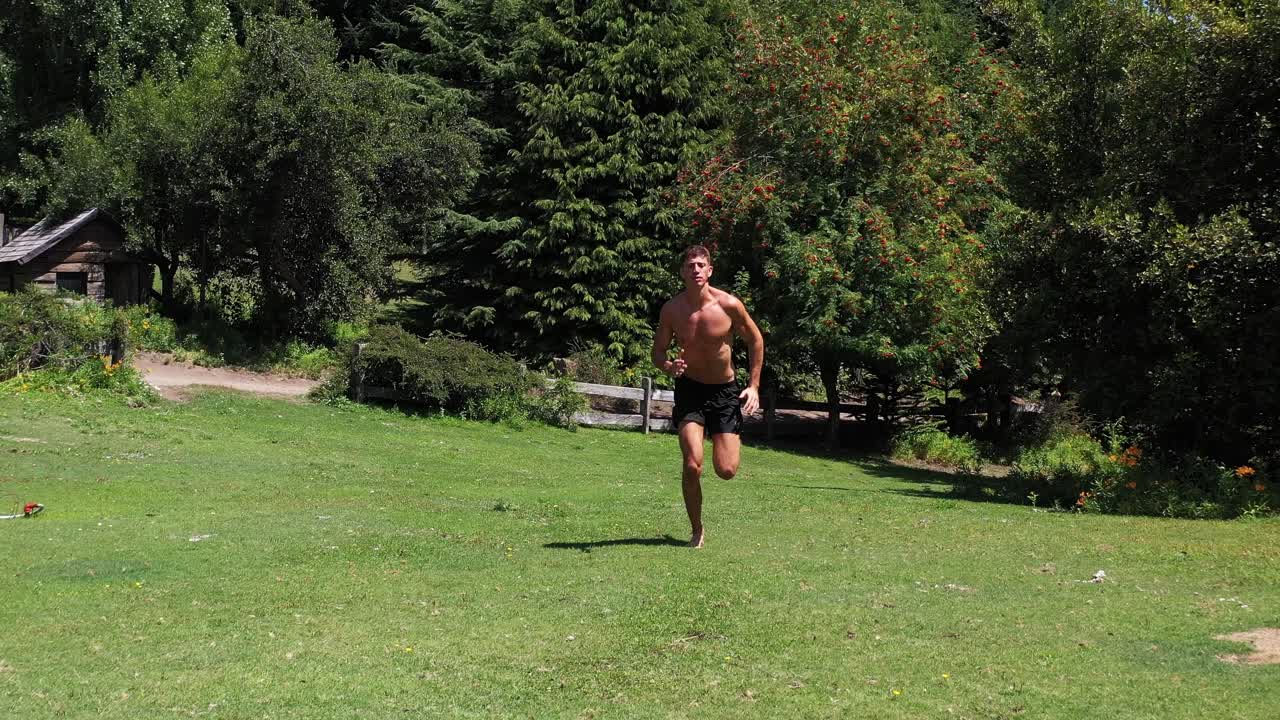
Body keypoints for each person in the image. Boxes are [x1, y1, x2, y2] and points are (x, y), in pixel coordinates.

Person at [652, 245, 764, 548]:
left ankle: (726, 442)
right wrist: (667, 365)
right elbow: (658, 352)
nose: (696, 270)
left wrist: (753, 386)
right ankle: (697, 529)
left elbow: (756, 340)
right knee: (692, 464)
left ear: (710, 270)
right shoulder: (672, 310)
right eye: (690, 265)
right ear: (682, 272)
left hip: (724, 392)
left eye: (701, 265)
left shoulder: (729, 305)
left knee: (726, 471)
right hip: (690, 391)